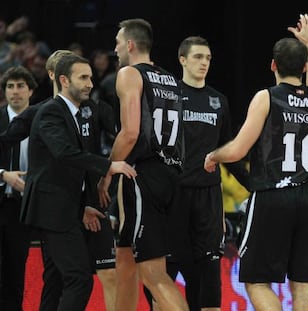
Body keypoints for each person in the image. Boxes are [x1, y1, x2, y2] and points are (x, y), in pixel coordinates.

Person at [204, 14, 308, 311]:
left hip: (273, 195)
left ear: (273, 65)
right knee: (302, 285)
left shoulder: (266, 97)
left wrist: (213, 155)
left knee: (257, 281)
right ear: (303, 68)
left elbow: (237, 150)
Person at [0, 49, 119, 311]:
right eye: (82, 77)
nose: (89, 83)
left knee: (71, 276)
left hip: (82, 204)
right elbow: (8, 139)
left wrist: (94, 195)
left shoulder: (94, 109)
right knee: (66, 278)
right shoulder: (43, 112)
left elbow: (112, 140)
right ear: (57, 77)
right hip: (52, 206)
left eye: (90, 77)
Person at [145, 35, 250, 311]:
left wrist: (256, 185)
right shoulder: (168, 97)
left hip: (208, 201)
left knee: (208, 277)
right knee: (164, 274)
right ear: (182, 59)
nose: (204, 63)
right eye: (198, 57)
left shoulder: (219, 101)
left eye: (208, 58)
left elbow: (230, 152)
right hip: (174, 198)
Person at [97, 18, 189, 311]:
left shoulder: (129, 74)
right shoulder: (172, 80)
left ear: (130, 44)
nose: (115, 48)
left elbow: (131, 132)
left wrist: (107, 171)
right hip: (170, 175)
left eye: (117, 42)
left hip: (142, 175)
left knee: (153, 274)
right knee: (124, 261)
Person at [0, 66, 37, 310]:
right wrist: (3, 175)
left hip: (24, 206)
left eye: (20, 86)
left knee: (16, 266)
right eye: (10, 86)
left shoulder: (42, 120)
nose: (15, 92)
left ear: (31, 91)